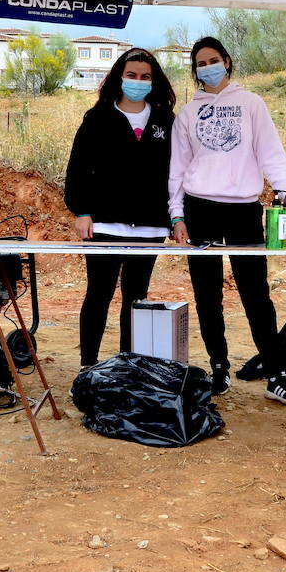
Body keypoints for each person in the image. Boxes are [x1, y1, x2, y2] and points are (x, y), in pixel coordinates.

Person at [168, 36, 286, 404]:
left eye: (213, 60)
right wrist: (176, 215)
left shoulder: (251, 104)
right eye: (199, 63)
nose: (207, 67)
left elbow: (270, 151)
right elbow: (177, 169)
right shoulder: (188, 115)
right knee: (207, 296)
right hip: (199, 209)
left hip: (243, 209)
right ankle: (219, 369)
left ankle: (276, 373)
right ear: (195, 71)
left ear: (226, 61)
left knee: (256, 294)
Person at [64, 47, 177, 369]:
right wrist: (81, 211)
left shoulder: (166, 120)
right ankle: (88, 365)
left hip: (151, 224)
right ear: (119, 78)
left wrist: (176, 216)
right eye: (131, 75)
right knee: (98, 295)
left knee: (135, 297)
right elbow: (78, 168)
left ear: (154, 82)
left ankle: (127, 364)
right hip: (104, 224)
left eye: (145, 77)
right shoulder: (98, 117)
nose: (138, 82)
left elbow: (177, 171)